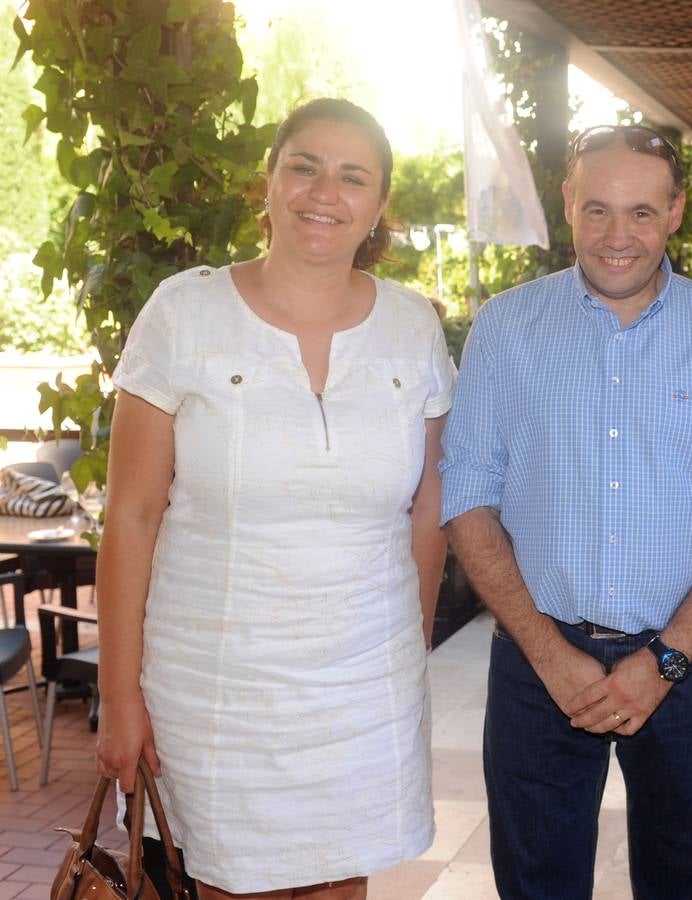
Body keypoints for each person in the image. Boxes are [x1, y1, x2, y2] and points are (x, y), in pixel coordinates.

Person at [95, 98, 456, 899]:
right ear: (269, 179)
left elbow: (430, 505)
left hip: (362, 689)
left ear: (378, 203)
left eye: (352, 175)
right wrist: (120, 696)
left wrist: (410, 645)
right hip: (218, 691)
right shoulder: (185, 312)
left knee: (340, 888)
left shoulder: (409, 326)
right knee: (227, 883)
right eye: (304, 166)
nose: (324, 192)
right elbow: (132, 514)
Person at [440, 124, 692, 900]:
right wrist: (547, 651)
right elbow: (467, 498)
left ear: (675, 213)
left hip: (690, 662)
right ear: (568, 204)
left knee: (682, 883)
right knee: (535, 886)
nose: (617, 236)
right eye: (597, 209)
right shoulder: (505, 328)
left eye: (640, 212)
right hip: (539, 658)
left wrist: (666, 659)